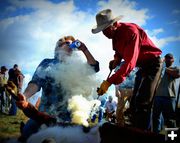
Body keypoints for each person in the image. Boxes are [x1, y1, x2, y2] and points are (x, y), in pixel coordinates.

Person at [16, 35, 100, 141]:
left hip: (70, 119)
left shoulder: (78, 65)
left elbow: (94, 67)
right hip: (44, 115)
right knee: (27, 133)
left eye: (73, 44)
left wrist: (84, 49)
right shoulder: (47, 63)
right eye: (68, 44)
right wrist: (24, 96)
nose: (71, 46)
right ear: (59, 47)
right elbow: (35, 83)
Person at [92, 9, 162, 130]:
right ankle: (137, 129)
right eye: (102, 30)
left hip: (153, 64)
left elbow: (130, 62)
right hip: (142, 66)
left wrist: (109, 82)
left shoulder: (130, 31)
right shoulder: (115, 36)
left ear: (114, 24)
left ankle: (142, 134)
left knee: (143, 101)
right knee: (134, 102)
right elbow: (119, 53)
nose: (104, 33)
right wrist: (116, 60)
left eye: (105, 29)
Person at [152, 53, 180, 133]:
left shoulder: (175, 68)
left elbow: (177, 74)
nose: (168, 59)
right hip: (157, 96)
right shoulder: (160, 68)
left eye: (170, 58)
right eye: (166, 58)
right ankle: (155, 135)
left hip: (169, 97)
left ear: (173, 60)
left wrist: (164, 68)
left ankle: (171, 138)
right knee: (155, 118)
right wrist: (161, 66)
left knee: (170, 120)